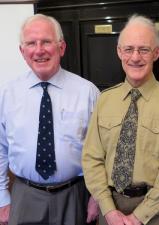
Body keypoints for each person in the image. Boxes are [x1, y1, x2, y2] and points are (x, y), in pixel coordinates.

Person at [82, 14, 159, 225]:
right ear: (119, 52)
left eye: (144, 49)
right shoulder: (105, 100)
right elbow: (91, 159)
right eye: (129, 49)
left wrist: (139, 217)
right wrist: (108, 209)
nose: (135, 57)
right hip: (110, 210)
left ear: (156, 53)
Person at [0, 14, 100, 225]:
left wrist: (97, 198)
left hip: (76, 195)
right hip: (24, 196)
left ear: (61, 47)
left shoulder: (88, 92)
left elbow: (104, 151)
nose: (39, 50)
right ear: (22, 51)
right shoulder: (7, 95)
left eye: (46, 41)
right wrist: (2, 198)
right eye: (31, 43)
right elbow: (0, 149)